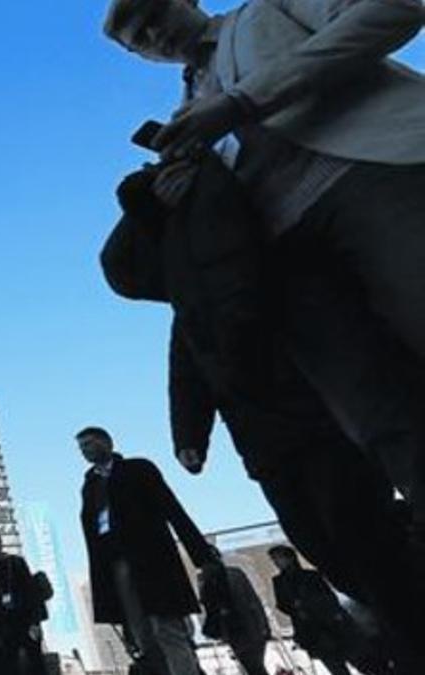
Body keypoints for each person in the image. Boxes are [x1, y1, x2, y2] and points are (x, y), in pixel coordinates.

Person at [101, 0, 425, 539]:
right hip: (289, 262)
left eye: (155, 13)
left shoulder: (263, 12)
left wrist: (241, 101)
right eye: (138, 37)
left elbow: (391, 10)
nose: (154, 33)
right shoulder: (187, 107)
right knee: (378, 410)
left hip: (369, 177)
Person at [76, 426, 217, 675]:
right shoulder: (89, 487)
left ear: (107, 442)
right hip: (115, 565)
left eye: (89, 443)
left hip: (153, 560)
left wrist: (201, 554)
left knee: (168, 628)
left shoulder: (138, 469)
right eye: (82, 446)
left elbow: (172, 508)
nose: (85, 450)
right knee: (141, 634)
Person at [268, 546, 391, 675]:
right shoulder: (279, 582)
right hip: (311, 630)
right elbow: (282, 604)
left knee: (362, 661)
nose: (276, 562)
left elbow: (329, 598)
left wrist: (309, 604)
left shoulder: (311, 576)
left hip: (334, 626)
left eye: (278, 558)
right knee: (336, 667)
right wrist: (295, 607)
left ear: (290, 558)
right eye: (274, 559)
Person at [0, 530, 48, 675]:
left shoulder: (17, 562)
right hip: (8, 626)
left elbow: (31, 593)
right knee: (10, 664)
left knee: (36, 662)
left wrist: (35, 622)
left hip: (26, 619)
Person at [198, 561, 271, 675]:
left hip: (237, 628)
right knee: (255, 665)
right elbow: (252, 599)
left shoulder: (208, 579)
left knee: (252, 665)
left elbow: (208, 605)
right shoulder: (233, 574)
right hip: (248, 626)